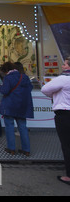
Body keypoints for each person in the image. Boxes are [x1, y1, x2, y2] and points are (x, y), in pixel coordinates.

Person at [41, 56, 70, 185]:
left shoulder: (63, 79)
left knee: (67, 144)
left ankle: (69, 175)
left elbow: (45, 89)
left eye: (65, 64)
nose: (63, 66)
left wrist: (54, 95)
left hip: (64, 114)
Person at [0, 62, 34, 156]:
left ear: (6, 70)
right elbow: (30, 88)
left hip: (10, 105)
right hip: (22, 105)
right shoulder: (24, 77)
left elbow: (4, 91)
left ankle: (11, 148)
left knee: (9, 127)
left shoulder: (8, 78)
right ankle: (26, 149)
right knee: (23, 127)